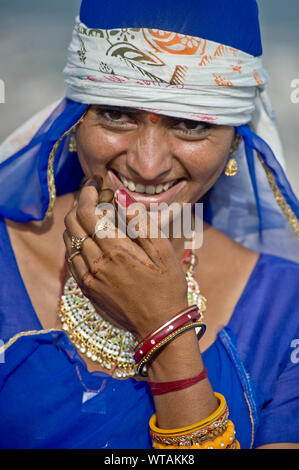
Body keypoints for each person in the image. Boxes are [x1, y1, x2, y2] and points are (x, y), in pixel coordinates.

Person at [0, 0, 298, 450]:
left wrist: (164, 330)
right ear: (76, 117)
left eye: (190, 124)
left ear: (236, 137)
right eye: (117, 115)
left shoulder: (285, 306)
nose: (148, 164)